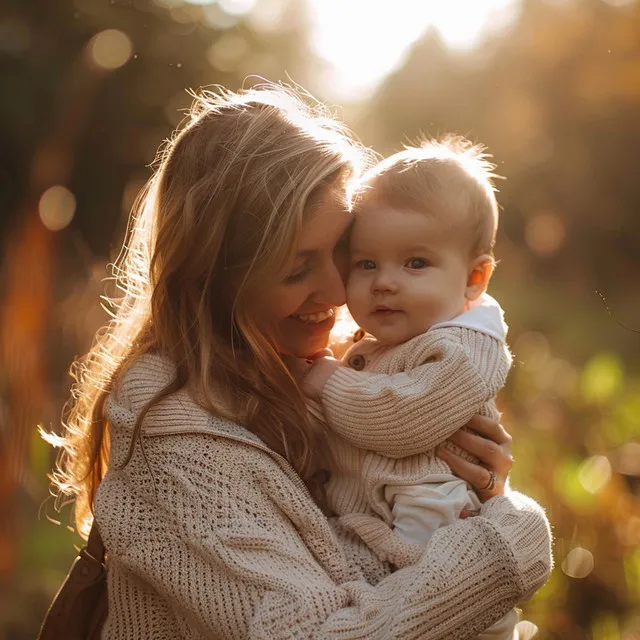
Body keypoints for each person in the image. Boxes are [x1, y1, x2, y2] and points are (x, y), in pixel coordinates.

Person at [48, 84, 552, 639]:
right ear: (214, 277)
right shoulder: (178, 447)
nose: (340, 292)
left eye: (342, 253)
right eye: (297, 268)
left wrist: (466, 488)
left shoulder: (307, 365)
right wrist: (508, 541)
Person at [295, 138, 523, 639]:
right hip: (389, 533)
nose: (384, 283)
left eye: (415, 263)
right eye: (367, 264)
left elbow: (404, 419)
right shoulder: (376, 343)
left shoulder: (466, 347)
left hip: (433, 537)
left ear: (474, 278)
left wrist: (328, 383)